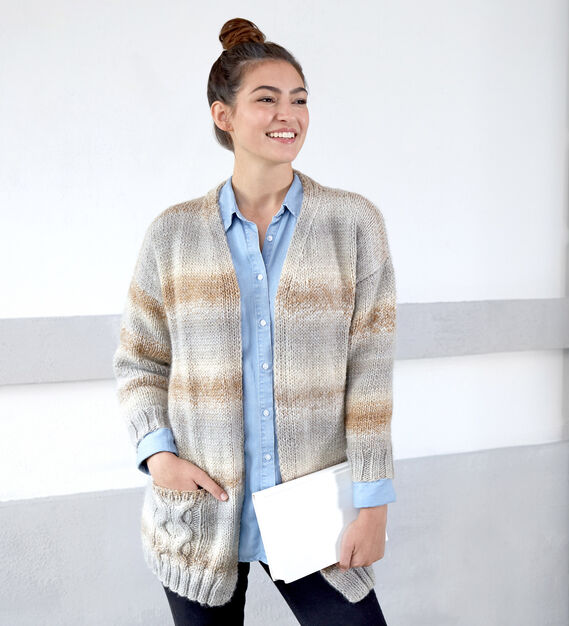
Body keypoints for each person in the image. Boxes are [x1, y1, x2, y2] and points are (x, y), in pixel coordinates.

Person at [113, 16, 397, 625]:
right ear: (224, 115)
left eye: (299, 99)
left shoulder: (354, 225)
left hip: (315, 512)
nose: (287, 114)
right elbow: (139, 361)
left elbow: (370, 377)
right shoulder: (173, 235)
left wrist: (373, 504)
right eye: (266, 99)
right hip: (199, 513)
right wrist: (159, 457)